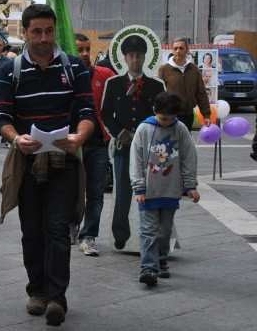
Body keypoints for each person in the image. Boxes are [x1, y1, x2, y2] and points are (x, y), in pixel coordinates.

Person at [0, 4, 95, 326]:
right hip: (28, 162)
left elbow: (86, 112)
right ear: (24, 32)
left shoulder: (75, 67)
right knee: (31, 232)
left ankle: (57, 298)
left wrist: (79, 138)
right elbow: (2, 116)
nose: (43, 38)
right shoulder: (9, 71)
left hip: (63, 160)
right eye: (36, 31)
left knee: (57, 230)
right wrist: (15, 138)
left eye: (48, 31)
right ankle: (36, 290)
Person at [101, 35, 166, 251]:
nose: (135, 60)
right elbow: (105, 114)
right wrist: (119, 133)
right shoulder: (114, 84)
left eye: (139, 56)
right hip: (124, 146)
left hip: (149, 148)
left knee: (151, 191)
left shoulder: (156, 85)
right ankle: (120, 234)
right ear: (125, 58)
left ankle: (152, 234)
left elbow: (163, 114)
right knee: (122, 192)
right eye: (131, 56)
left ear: (145, 57)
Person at [130, 91, 199, 286]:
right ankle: (148, 268)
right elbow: (135, 160)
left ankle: (161, 259)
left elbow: (189, 158)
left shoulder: (181, 130)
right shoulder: (144, 129)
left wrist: (190, 185)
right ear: (155, 111)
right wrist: (139, 188)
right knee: (148, 230)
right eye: (162, 118)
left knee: (165, 231)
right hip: (148, 192)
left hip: (170, 191)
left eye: (170, 119)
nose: (166, 122)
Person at [74, 33, 115, 256]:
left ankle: (88, 236)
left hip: (98, 143)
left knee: (96, 192)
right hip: (71, 143)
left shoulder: (105, 74)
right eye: (80, 49)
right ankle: (71, 227)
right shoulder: (64, 76)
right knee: (70, 190)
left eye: (87, 49)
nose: (85, 54)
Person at [157, 38, 211, 129]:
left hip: (188, 115)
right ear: (172, 50)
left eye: (181, 48)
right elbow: (159, 95)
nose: (178, 51)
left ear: (187, 50)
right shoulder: (164, 69)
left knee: (185, 142)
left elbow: (201, 93)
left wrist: (206, 115)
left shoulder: (194, 69)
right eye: (175, 48)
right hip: (170, 116)